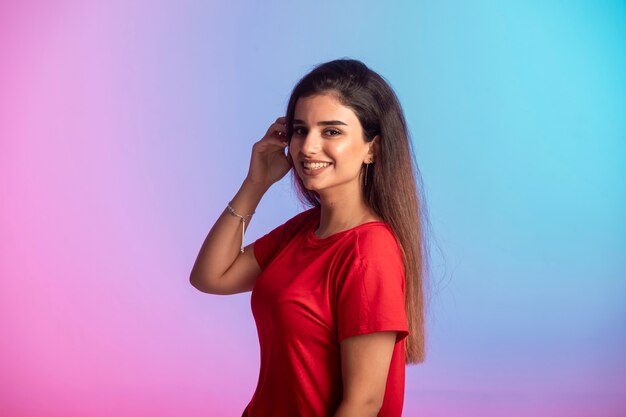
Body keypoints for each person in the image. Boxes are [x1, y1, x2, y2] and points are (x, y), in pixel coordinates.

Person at [190, 58, 430, 417]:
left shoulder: (369, 252)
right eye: (301, 130)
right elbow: (210, 276)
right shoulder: (305, 229)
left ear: (372, 149)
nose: (308, 147)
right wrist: (255, 184)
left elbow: (363, 404)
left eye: (331, 131)